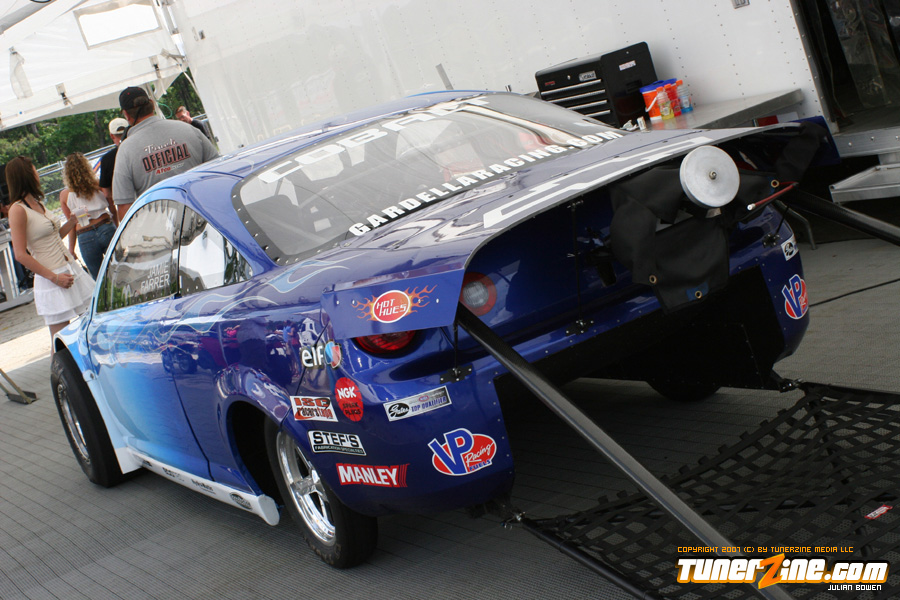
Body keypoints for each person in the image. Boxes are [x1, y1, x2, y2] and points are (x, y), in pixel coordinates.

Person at [5, 156, 94, 342]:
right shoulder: (17, 209)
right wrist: (54, 277)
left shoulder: (37, 203)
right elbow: (20, 254)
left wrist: (72, 221)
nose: (38, 174)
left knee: (89, 324)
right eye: (34, 171)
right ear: (26, 175)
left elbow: (52, 237)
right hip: (51, 277)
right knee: (60, 337)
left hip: (69, 268)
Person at [113, 87, 218, 221]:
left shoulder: (125, 150)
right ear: (152, 104)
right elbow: (217, 169)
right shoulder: (188, 130)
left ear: (126, 115)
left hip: (163, 227)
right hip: (207, 215)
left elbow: (124, 206)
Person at [59, 153, 117, 279]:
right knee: (120, 271)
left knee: (99, 278)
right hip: (106, 227)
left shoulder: (65, 195)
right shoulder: (99, 185)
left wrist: (71, 249)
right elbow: (112, 207)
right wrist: (118, 227)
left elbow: (71, 224)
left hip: (85, 235)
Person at [98, 117, 128, 216]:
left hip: (125, 207)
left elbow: (106, 193)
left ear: (111, 136)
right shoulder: (141, 148)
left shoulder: (107, 159)